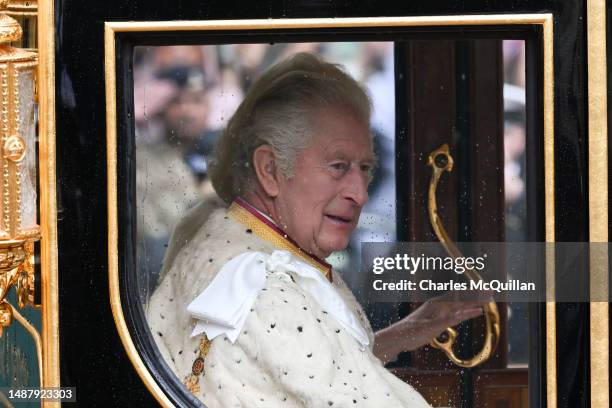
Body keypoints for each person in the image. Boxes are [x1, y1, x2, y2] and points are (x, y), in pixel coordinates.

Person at [147, 52, 485, 407]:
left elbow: (299, 368)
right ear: (270, 169)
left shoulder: (224, 228)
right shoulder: (265, 292)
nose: (360, 193)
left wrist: (404, 334)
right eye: (338, 166)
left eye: (366, 168)